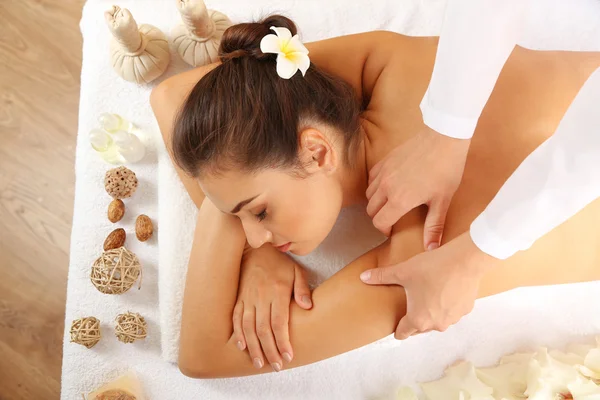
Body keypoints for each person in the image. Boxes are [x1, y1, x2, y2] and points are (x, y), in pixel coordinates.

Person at [150, 15, 600, 378]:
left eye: (259, 211)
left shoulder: (424, 250)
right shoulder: (387, 64)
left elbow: (204, 356)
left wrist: (220, 210)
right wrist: (260, 258)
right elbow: (171, 96)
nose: (254, 236)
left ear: (317, 150)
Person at [362, 0, 600, 339]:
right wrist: (443, 136)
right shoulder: (382, 61)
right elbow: (260, 77)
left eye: (262, 212)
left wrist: (472, 258)